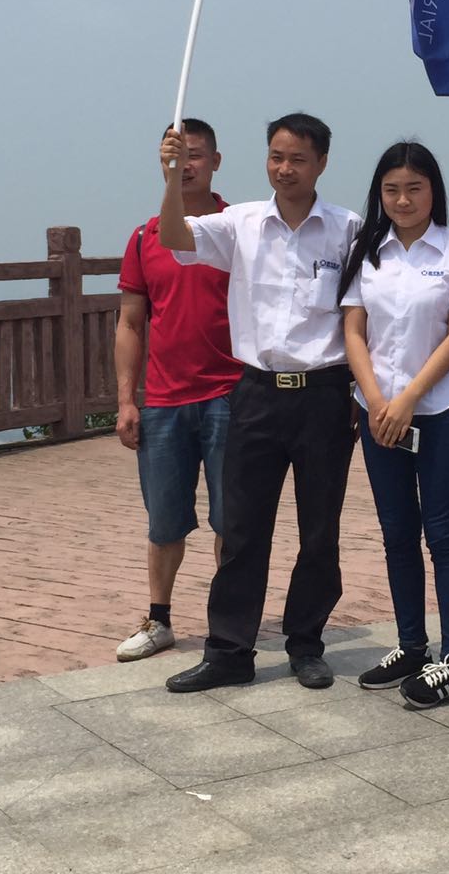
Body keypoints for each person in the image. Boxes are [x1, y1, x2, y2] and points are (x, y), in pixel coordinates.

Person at [160, 113, 360, 692]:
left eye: (298, 159)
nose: (285, 169)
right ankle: (229, 651)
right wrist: (172, 178)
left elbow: (365, 312)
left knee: (319, 530)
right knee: (244, 530)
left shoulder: (348, 228)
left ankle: (306, 644)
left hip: (324, 395)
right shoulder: (241, 222)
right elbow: (175, 237)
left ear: (322, 163)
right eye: (276, 156)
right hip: (255, 394)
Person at [338, 142, 449, 708]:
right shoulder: (366, 251)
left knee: (443, 533)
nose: (402, 200)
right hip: (377, 412)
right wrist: (379, 401)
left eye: (414, 189)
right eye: (391, 190)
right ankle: (410, 645)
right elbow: (354, 331)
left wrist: (408, 400)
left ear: (433, 191)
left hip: (440, 411)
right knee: (396, 532)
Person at [114, 118, 242, 662]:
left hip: (230, 393)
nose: (185, 165)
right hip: (165, 401)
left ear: (215, 161)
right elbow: (130, 322)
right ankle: (159, 619)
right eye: (174, 157)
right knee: (164, 520)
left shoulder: (238, 229)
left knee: (232, 519)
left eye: (195, 155)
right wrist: (127, 399)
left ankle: (228, 623)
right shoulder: (146, 237)